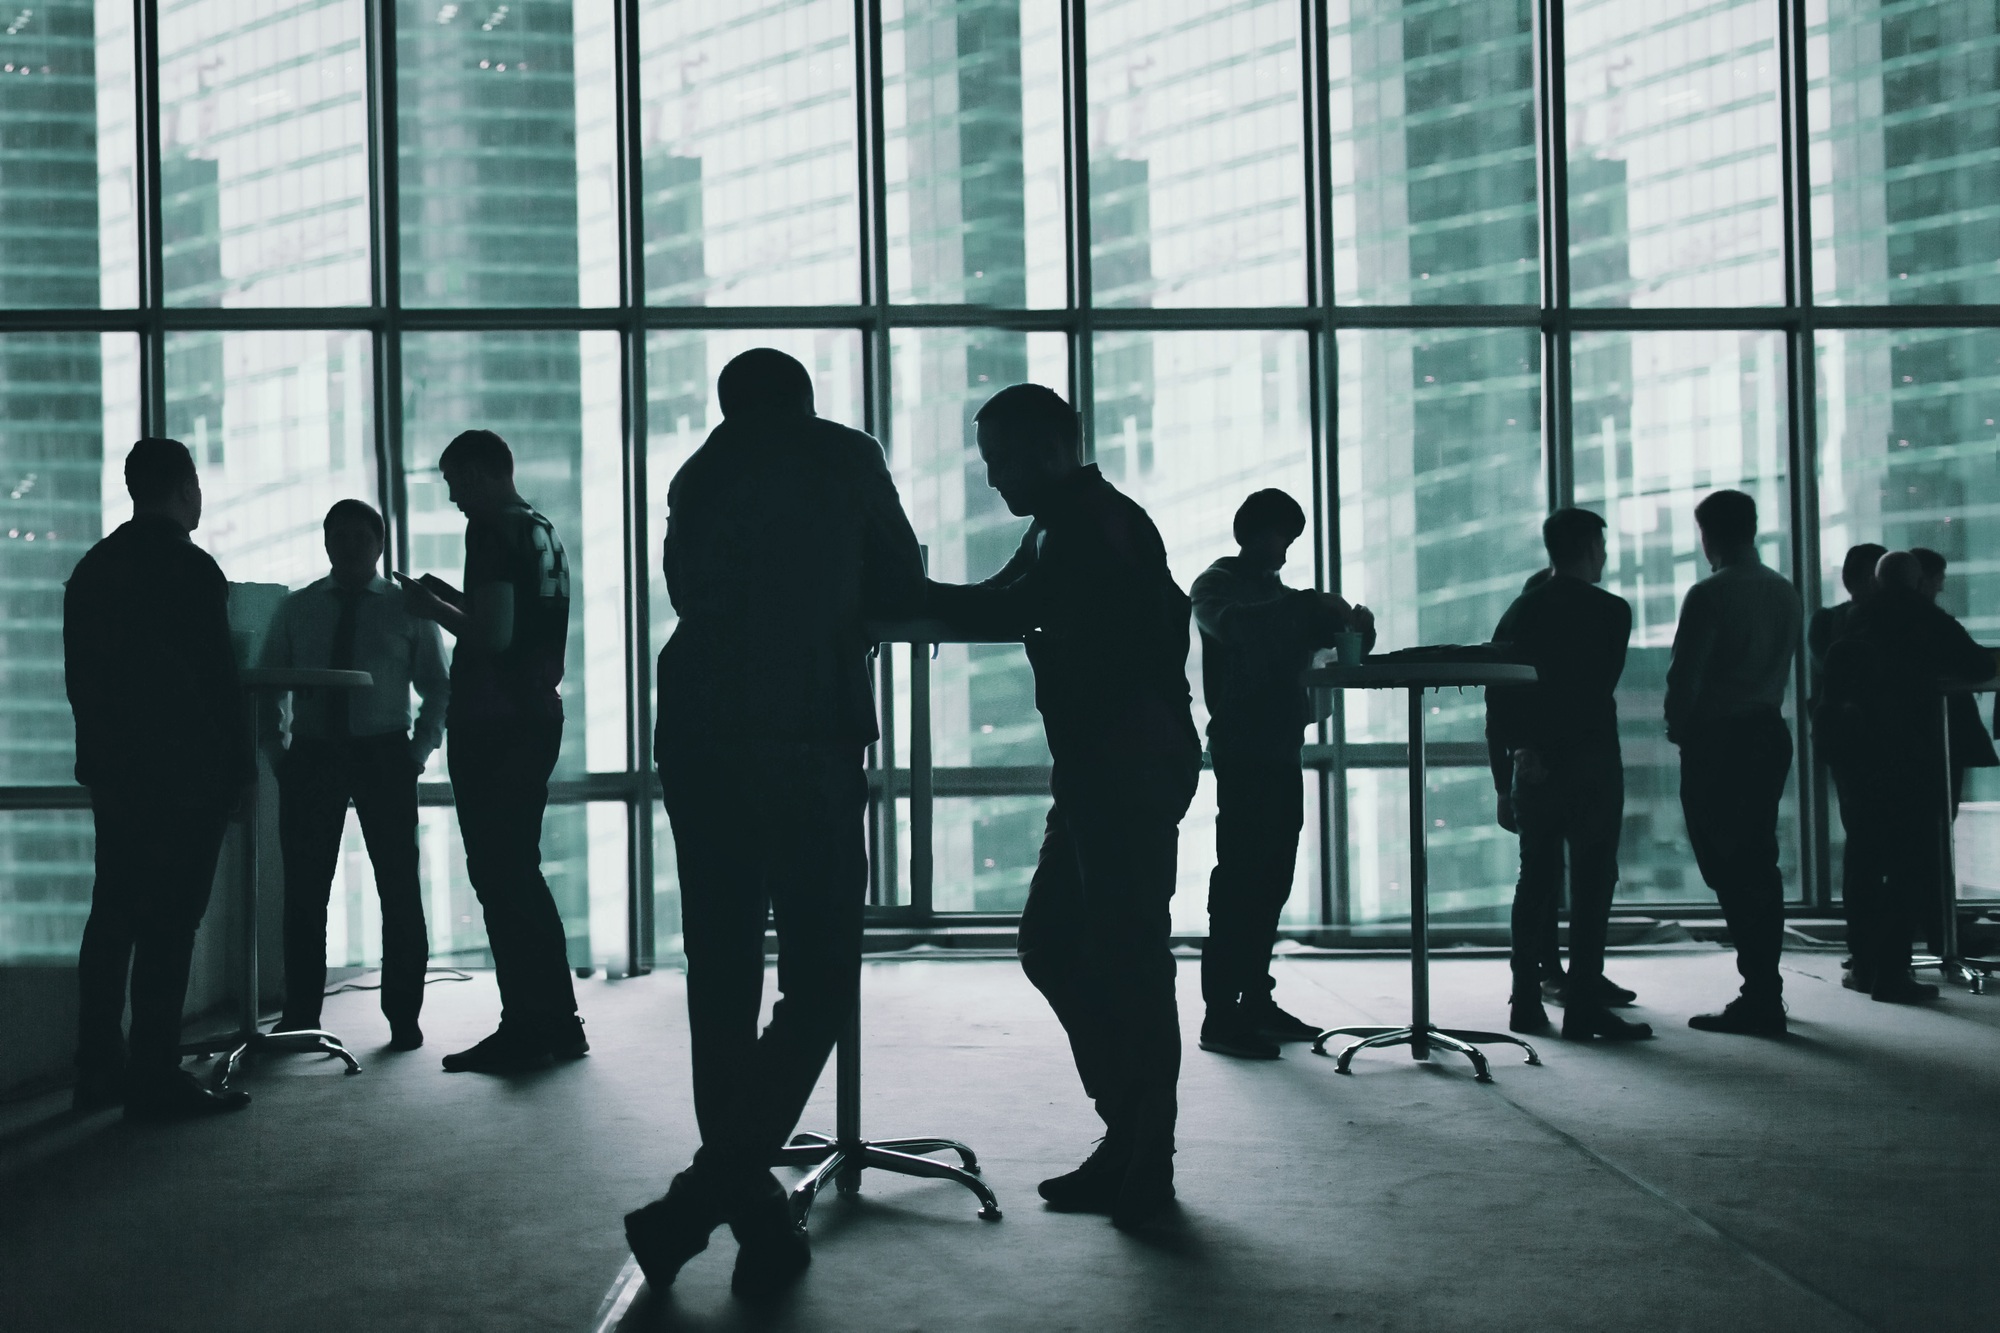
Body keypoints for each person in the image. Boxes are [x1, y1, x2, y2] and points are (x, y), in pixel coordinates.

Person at [623, 349, 925, 1299]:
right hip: (805, 733)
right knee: (824, 973)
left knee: (721, 973)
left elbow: (687, 592)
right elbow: (901, 579)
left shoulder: (698, 471)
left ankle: (754, 1216)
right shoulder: (844, 455)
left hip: (701, 735)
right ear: (804, 397)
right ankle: (705, 1195)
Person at [925, 384, 1202, 1230]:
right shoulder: (1059, 523)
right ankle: (1131, 1131)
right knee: (1060, 942)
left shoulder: (1093, 524)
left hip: (1130, 763)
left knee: (1125, 953)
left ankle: (1144, 1150)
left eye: (1001, 459)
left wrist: (889, 591)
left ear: (1047, 449)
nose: (993, 477)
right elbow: (994, 602)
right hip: (1104, 765)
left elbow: (1010, 609)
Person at [64, 438, 253, 1119]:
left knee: (112, 917)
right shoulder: (193, 571)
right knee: (171, 923)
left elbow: (79, 682)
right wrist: (238, 767)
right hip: (184, 775)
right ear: (182, 489)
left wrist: (98, 761)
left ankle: (97, 1068)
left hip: (119, 776)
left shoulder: (94, 568)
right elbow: (216, 681)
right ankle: (153, 1071)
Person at [395, 429, 582, 1073]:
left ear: (479, 473)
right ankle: (559, 1018)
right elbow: (516, 619)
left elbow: (493, 635)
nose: (452, 499)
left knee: (499, 878)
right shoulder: (540, 527)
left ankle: (526, 1026)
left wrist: (429, 607)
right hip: (535, 714)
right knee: (521, 873)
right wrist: (450, 596)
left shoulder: (492, 530)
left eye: (454, 483)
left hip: (494, 720)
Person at [1191, 489, 1373, 1059]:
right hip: (1245, 748)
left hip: (1278, 746)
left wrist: (1358, 628)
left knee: (1270, 878)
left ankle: (1254, 1000)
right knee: (1242, 876)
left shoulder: (1285, 600)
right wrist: (1309, 610)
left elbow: (1344, 649)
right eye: (1281, 539)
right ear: (1251, 531)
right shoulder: (1216, 585)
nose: (1286, 554)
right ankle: (1222, 1012)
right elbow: (1230, 627)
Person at [260, 500, 449, 1050]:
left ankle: (404, 1016)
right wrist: (277, 750)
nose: (346, 546)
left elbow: (438, 684)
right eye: (336, 537)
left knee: (398, 887)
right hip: (313, 754)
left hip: (384, 754)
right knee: (305, 890)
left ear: (379, 543)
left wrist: (418, 752)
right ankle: (299, 1015)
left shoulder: (408, 608)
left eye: (357, 537)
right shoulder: (297, 609)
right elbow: (270, 682)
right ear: (324, 543)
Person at [1487, 509, 1651, 1042]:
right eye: (1600, 546)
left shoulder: (1519, 612)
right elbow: (1596, 689)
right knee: (1591, 881)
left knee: (1533, 879)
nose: (1604, 555)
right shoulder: (1611, 612)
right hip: (1590, 761)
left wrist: (1507, 774)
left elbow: (1498, 697)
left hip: (1532, 765)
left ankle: (1525, 1000)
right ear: (1585, 547)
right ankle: (1582, 1003)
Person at [1820, 552, 1996, 1001]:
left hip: (1857, 759)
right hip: (1911, 757)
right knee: (1909, 864)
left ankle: (1863, 965)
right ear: (1917, 581)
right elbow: (1978, 666)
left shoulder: (1845, 621)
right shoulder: (1925, 619)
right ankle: (1893, 975)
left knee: (1862, 862)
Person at [1665, 490, 1802, 1036]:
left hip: (1719, 739)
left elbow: (1685, 676)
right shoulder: (1784, 591)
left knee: (1725, 863)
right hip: (1768, 731)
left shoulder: (1709, 593)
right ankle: (1764, 987)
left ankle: (1760, 993)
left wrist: (1680, 730)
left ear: (1708, 535)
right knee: (1758, 862)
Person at [1808, 543, 1890, 987]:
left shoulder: (1829, 623)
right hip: (1874, 749)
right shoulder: (1868, 627)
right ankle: (1870, 953)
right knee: (1872, 848)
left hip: (1848, 750)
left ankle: (1864, 951)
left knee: (1862, 847)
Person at [1909, 547, 1997, 816]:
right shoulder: (1933, 621)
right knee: (1940, 812)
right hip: (1938, 738)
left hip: (1896, 740)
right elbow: (1979, 666)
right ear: (1923, 580)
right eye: (1938, 581)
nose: (1940, 589)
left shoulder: (1862, 620)